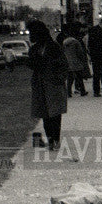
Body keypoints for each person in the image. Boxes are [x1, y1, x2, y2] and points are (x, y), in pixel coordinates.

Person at [28, 19, 67, 151]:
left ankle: (55, 140)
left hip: (53, 84)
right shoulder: (35, 49)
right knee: (45, 114)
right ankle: (51, 140)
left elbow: (63, 65)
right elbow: (32, 64)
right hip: (40, 84)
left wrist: (59, 79)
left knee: (55, 114)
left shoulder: (53, 46)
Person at [61, 24, 90, 97]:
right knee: (79, 77)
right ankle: (82, 91)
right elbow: (80, 52)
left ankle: (68, 92)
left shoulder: (64, 42)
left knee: (70, 79)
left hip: (68, 61)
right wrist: (82, 59)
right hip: (76, 61)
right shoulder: (76, 42)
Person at [87, 18, 102, 96]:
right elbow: (91, 43)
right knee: (97, 73)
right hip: (96, 54)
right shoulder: (93, 30)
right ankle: (96, 91)